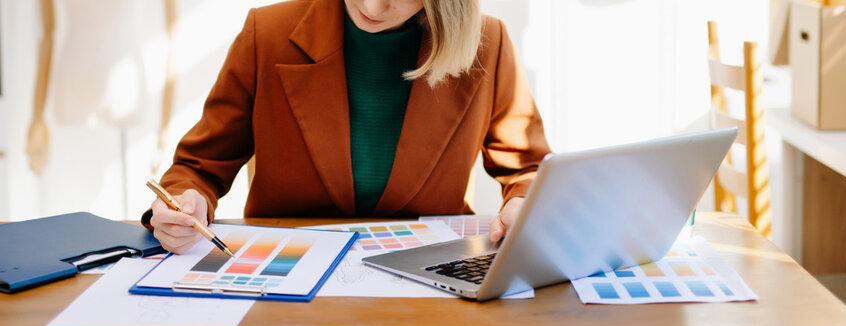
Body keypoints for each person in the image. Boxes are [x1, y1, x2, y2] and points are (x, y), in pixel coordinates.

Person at [143, 0, 551, 254]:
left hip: (433, 282)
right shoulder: (266, 34)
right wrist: (182, 202)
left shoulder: (488, 43)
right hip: (288, 275)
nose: (373, 7)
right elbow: (198, 168)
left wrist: (523, 205)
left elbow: (528, 169)